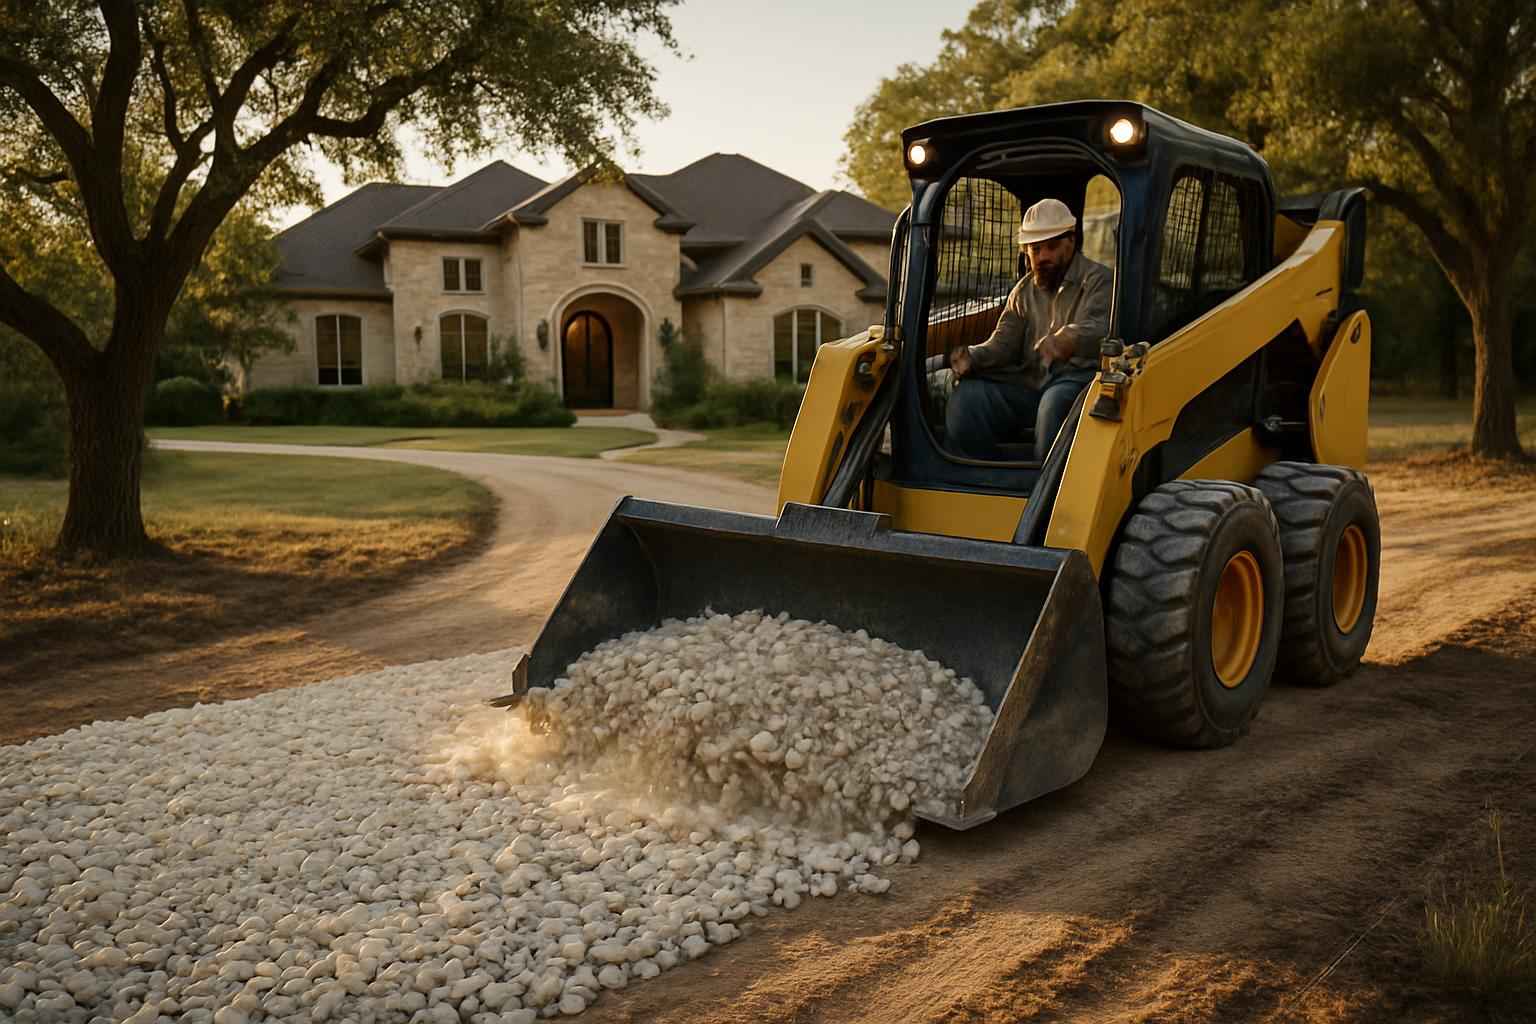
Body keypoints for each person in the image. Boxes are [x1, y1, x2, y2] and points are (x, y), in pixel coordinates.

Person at [945, 197, 1112, 462]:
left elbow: (1098, 329)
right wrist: (972, 356)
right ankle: (984, 480)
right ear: (1026, 251)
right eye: (1035, 249)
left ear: (1071, 241)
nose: (1043, 256)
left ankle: (1046, 492)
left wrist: (1067, 338)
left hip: (1080, 385)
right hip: (1031, 386)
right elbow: (1002, 345)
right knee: (968, 398)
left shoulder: (1099, 280)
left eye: (1052, 246)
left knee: (1054, 402)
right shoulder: (1023, 292)